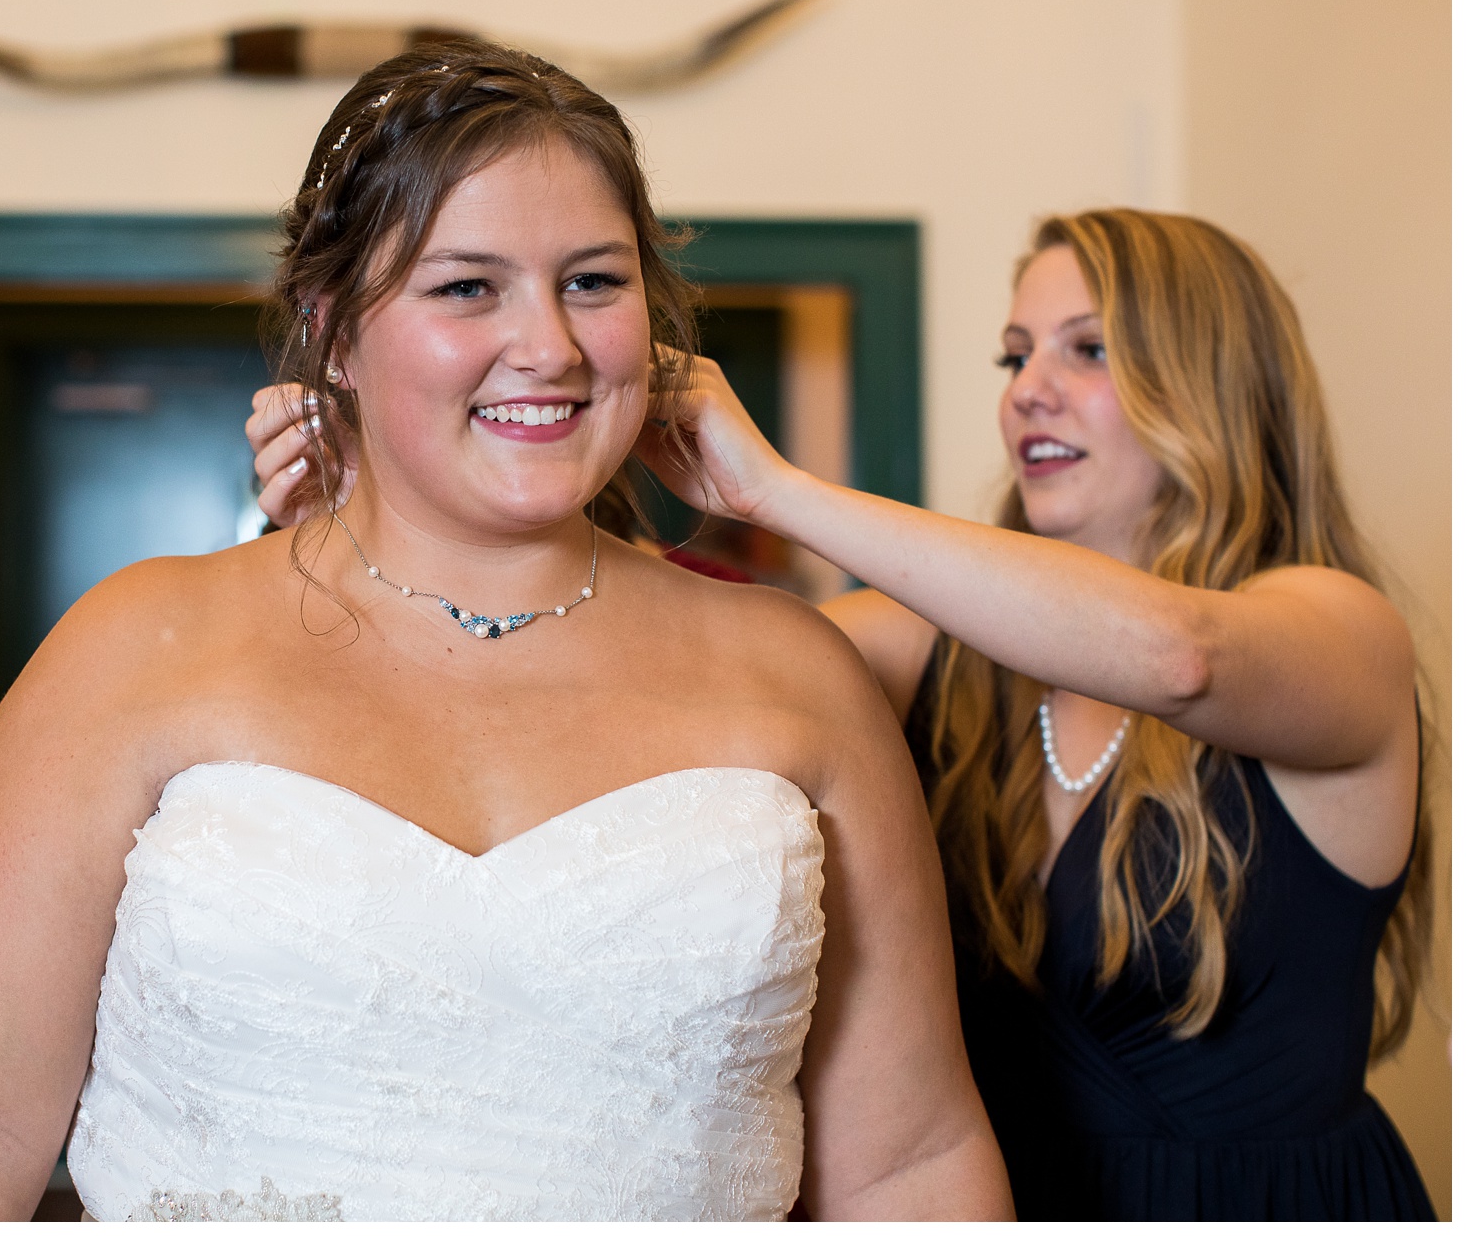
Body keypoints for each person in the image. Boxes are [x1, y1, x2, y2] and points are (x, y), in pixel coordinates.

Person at [0, 41, 1011, 1221]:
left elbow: (909, 1158)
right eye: (466, 286)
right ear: (333, 328)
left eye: (593, 281)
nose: (547, 345)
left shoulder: (793, 674)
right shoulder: (136, 644)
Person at [251, 207, 1436, 1220]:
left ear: (1214, 379)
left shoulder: (1338, 636)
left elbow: (1176, 655)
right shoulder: (931, 653)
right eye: (1015, 353)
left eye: (1087, 349)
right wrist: (401, 503)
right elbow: (630, 690)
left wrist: (775, 489)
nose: (1029, 387)